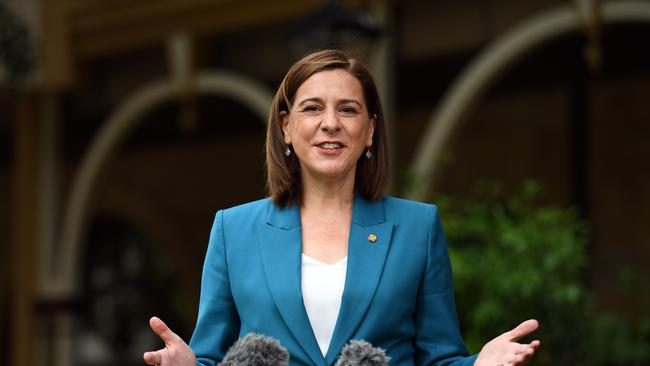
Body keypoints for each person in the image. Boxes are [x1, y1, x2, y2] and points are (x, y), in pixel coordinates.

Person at [143, 49, 540, 366]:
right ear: (286, 126)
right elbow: (213, 356)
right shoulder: (233, 229)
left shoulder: (418, 226)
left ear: (369, 129)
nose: (330, 123)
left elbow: (439, 357)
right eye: (313, 108)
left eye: (347, 109)